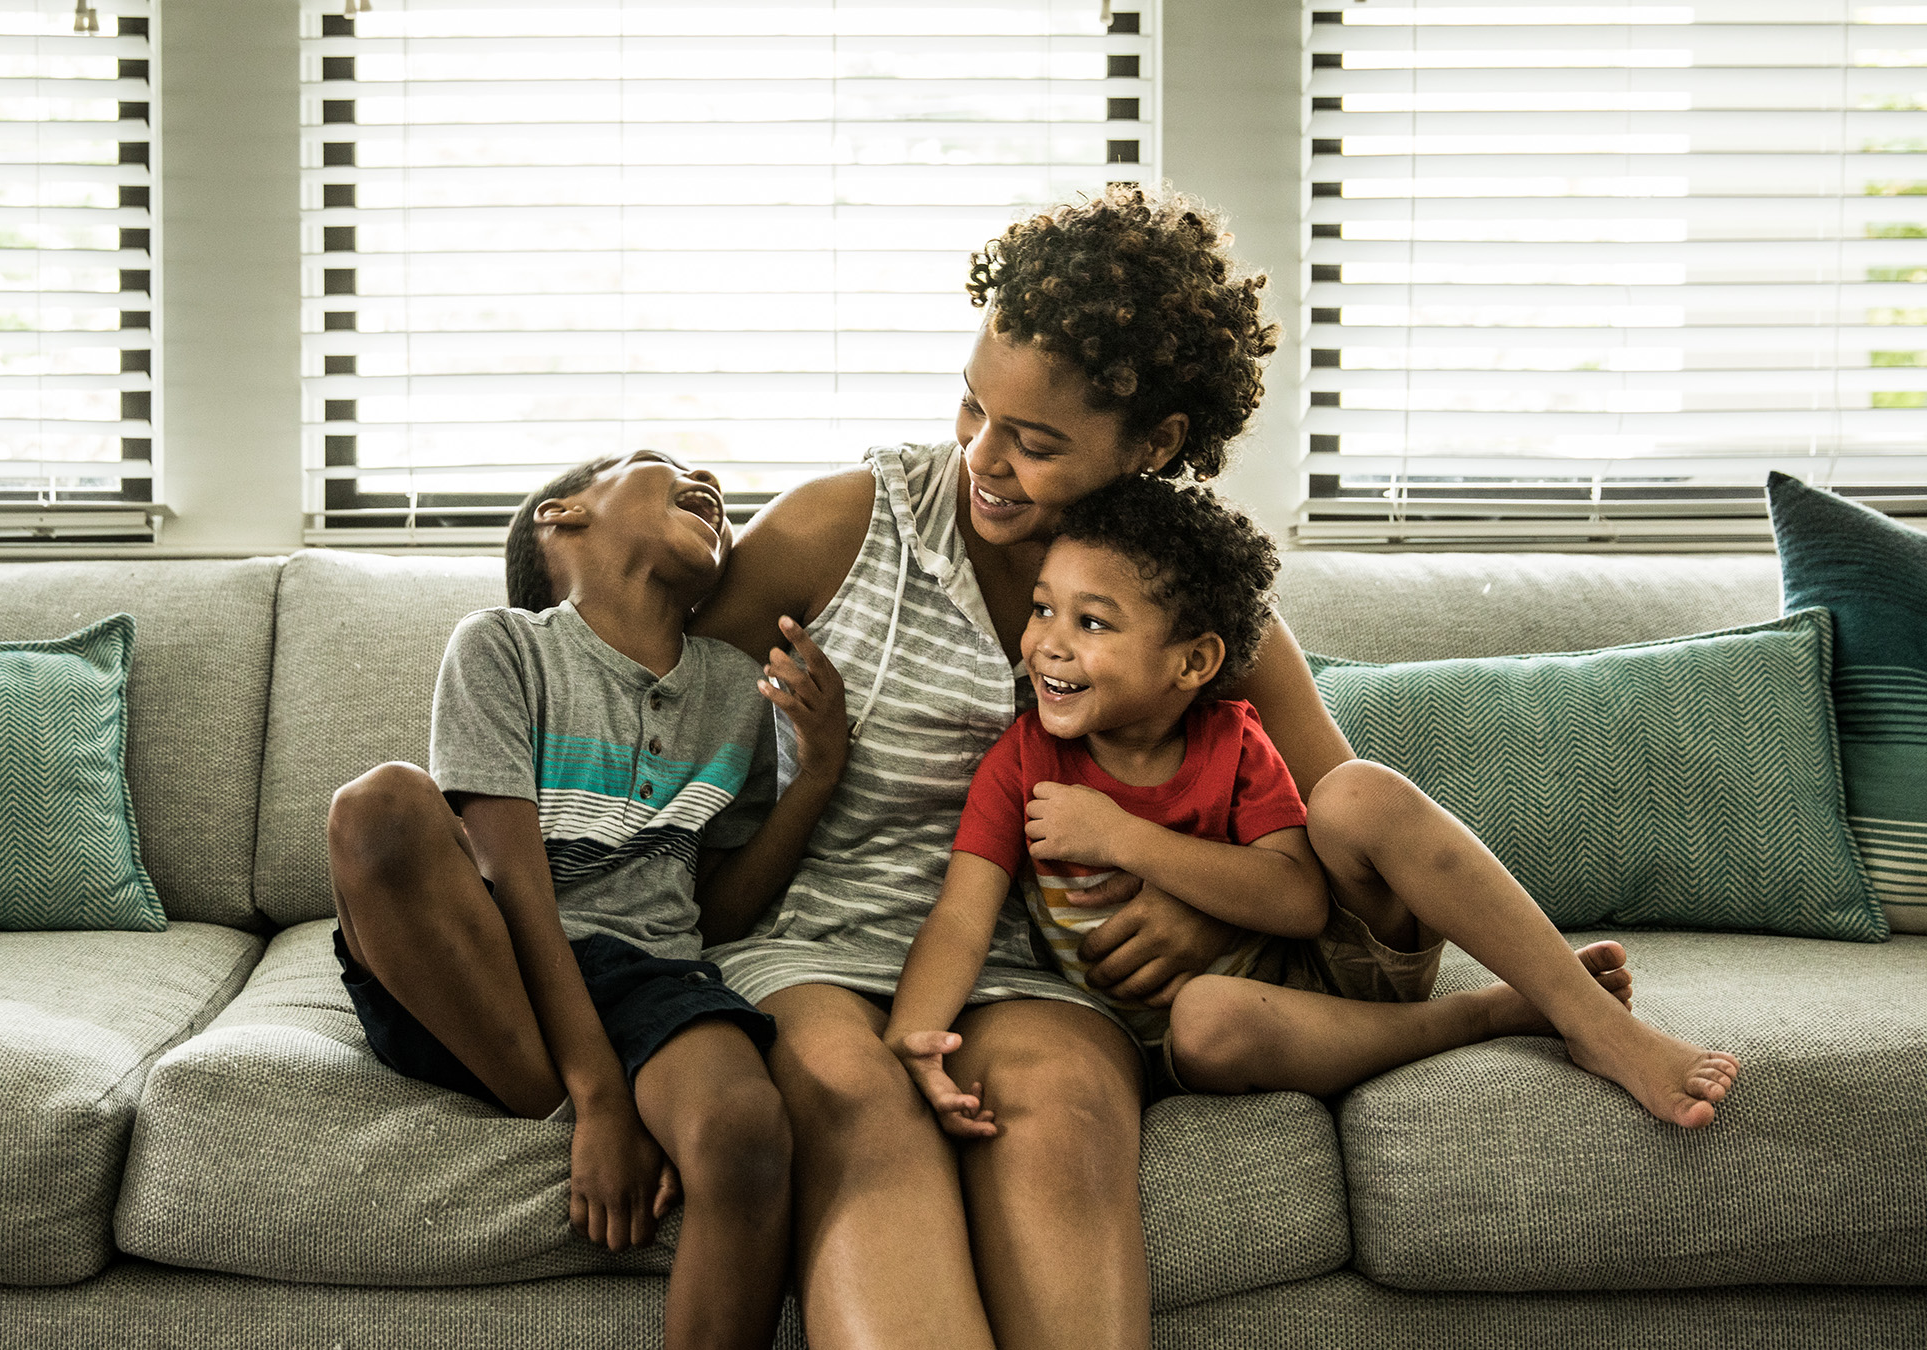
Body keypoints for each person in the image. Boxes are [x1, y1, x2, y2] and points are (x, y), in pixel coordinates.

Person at [688, 182, 1744, 1350]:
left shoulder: (1192, 600)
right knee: (857, 1108)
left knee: (1062, 1114)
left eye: (1036, 442)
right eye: (972, 410)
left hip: (1051, 975)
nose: (983, 458)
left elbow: (1339, 851)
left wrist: (1196, 902)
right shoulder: (839, 528)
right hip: (824, 942)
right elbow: (646, 731)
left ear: (1153, 445)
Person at [884, 474, 1666, 1149]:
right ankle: (1485, 1016)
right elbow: (961, 919)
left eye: (1091, 623)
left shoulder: (1231, 742)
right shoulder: (1020, 763)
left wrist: (1124, 838)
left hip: (1327, 966)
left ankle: (1595, 1025)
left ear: (1193, 661)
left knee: (1359, 791)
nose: (1047, 645)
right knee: (1206, 1019)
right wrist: (914, 1036)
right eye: (1042, 610)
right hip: (1230, 1029)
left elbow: (1296, 900)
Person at [324, 448, 850, 1350]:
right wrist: (602, 1098)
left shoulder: (735, 690)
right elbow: (514, 884)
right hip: (488, 960)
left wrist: (818, 771)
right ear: (563, 517)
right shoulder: (504, 647)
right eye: (661, 465)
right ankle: (563, 1104)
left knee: (746, 1130)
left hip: (650, 974)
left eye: (720, 497)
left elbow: (716, 912)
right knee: (379, 804)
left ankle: (593, 1105)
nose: (713, 488)